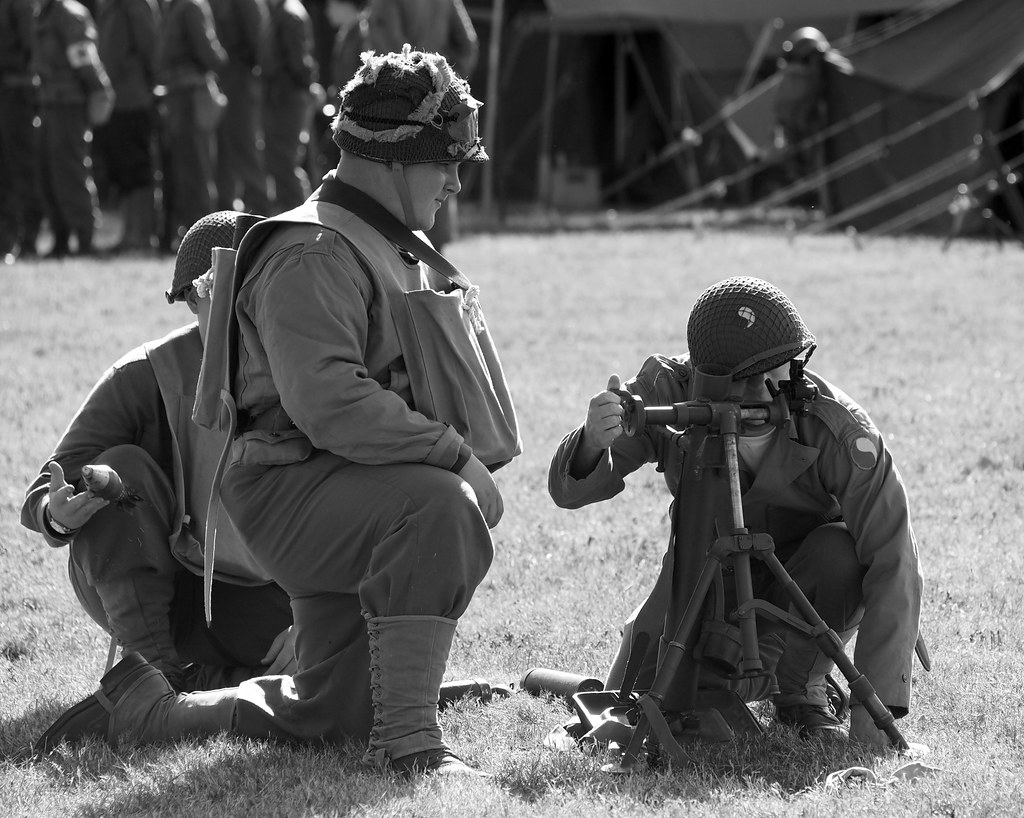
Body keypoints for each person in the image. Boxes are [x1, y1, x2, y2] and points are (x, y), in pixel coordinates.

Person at [36, 46, 520, 778]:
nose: (455, 179)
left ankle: (148, 712)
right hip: (291, 490)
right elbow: (332, 404)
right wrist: (454, 456)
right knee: (440, 511)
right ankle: (410, 746)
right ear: (395, 159)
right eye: (444, 161)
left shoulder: (377, 240)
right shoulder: (311, 250)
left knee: (330, 713)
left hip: (332, 489)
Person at [548, 276, 923, 746]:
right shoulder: (668, 388)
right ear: (710, 377)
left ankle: (800, 693)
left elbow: (894, 561)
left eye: (784, 367)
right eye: (755, 375)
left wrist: (874, 722)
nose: (775, 384)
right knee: (636, 707)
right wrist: (591, 440)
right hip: (695, 584)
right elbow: (569, 489)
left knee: (840, 554)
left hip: (802, 595)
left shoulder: (837, 427)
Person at [21, 211, 295, 694]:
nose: (248, 304)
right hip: (159, 588)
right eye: (227, 287)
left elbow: (366, 506)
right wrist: (58, 514)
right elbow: (50, 487)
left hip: (275, 597)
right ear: (194, 298)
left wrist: (322, 620)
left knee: (332, 665)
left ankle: (216, 680)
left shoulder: (312, 368)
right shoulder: (144, 375)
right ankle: (155, 680)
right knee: (112, 473)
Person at [365, 0, 478, 253]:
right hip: (438, 101)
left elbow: (388, 51)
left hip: (397, 104)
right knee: (441, 172)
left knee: (396, 179)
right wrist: (445, 85)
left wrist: (414, 86)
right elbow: (468, 44)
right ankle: (433, 266)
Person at [31, 0, 116, 257]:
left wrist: (99, 92)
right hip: (48, 104)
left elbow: (85, 60)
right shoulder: (42, 13)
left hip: (69, 106)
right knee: (48, 175)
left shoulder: (70, 15)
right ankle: (60, 238)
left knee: (70, 173)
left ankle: (84, 237)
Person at [155, 0, 227, 250]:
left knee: (195, 169)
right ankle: (185, 236)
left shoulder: (188, 6)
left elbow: (209, 53)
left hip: (190, 97)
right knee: (182, 170)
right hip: (180, 97)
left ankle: (202, 239)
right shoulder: (180, 6)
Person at [93, 0, 160, 254]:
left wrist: (151, 85)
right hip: (114, 100)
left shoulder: (136, 4)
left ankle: (141, 235)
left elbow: (149, 47)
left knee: (137, 168)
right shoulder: (109, 5)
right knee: (122, 169)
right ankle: (129, 233)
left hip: (134, 98)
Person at [209, 0, 272, 216]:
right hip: (225, 80)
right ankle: (225, 214)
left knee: (245, 147)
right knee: (224, 150)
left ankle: (260, 213)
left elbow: (259, 43)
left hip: (242, 81)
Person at [261, 0, 319, 213]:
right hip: (282, 98)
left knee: (286, 162)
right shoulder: (283, 11)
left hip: (288, 99)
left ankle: (298, 217)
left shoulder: (290, 14)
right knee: (281, 161)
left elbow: (299, 61)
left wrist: (308, 84)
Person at [0, 0, 44, 262]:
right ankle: (5, 239)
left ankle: (27, 238)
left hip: (15, 91)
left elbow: (32, 48)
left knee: (20, 167)